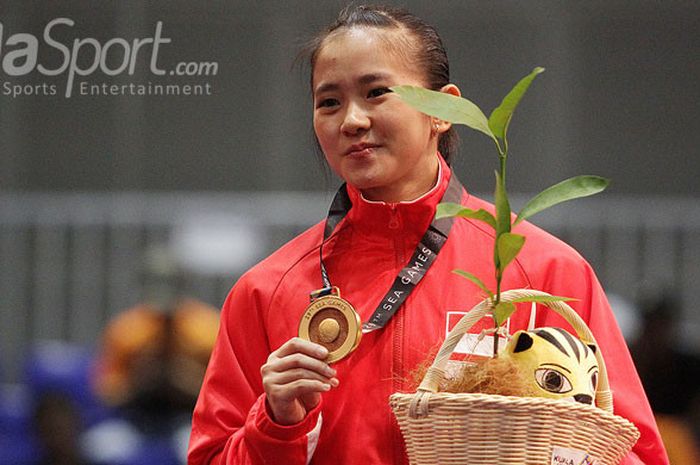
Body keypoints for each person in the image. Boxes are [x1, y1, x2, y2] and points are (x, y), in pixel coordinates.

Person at [188, 5, 669, 465]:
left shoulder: (540, 271)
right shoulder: (268, 291)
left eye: (376, 92)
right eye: (329, 102)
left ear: (444, 110)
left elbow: (632, 450)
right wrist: (276, 423)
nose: (352, 120)